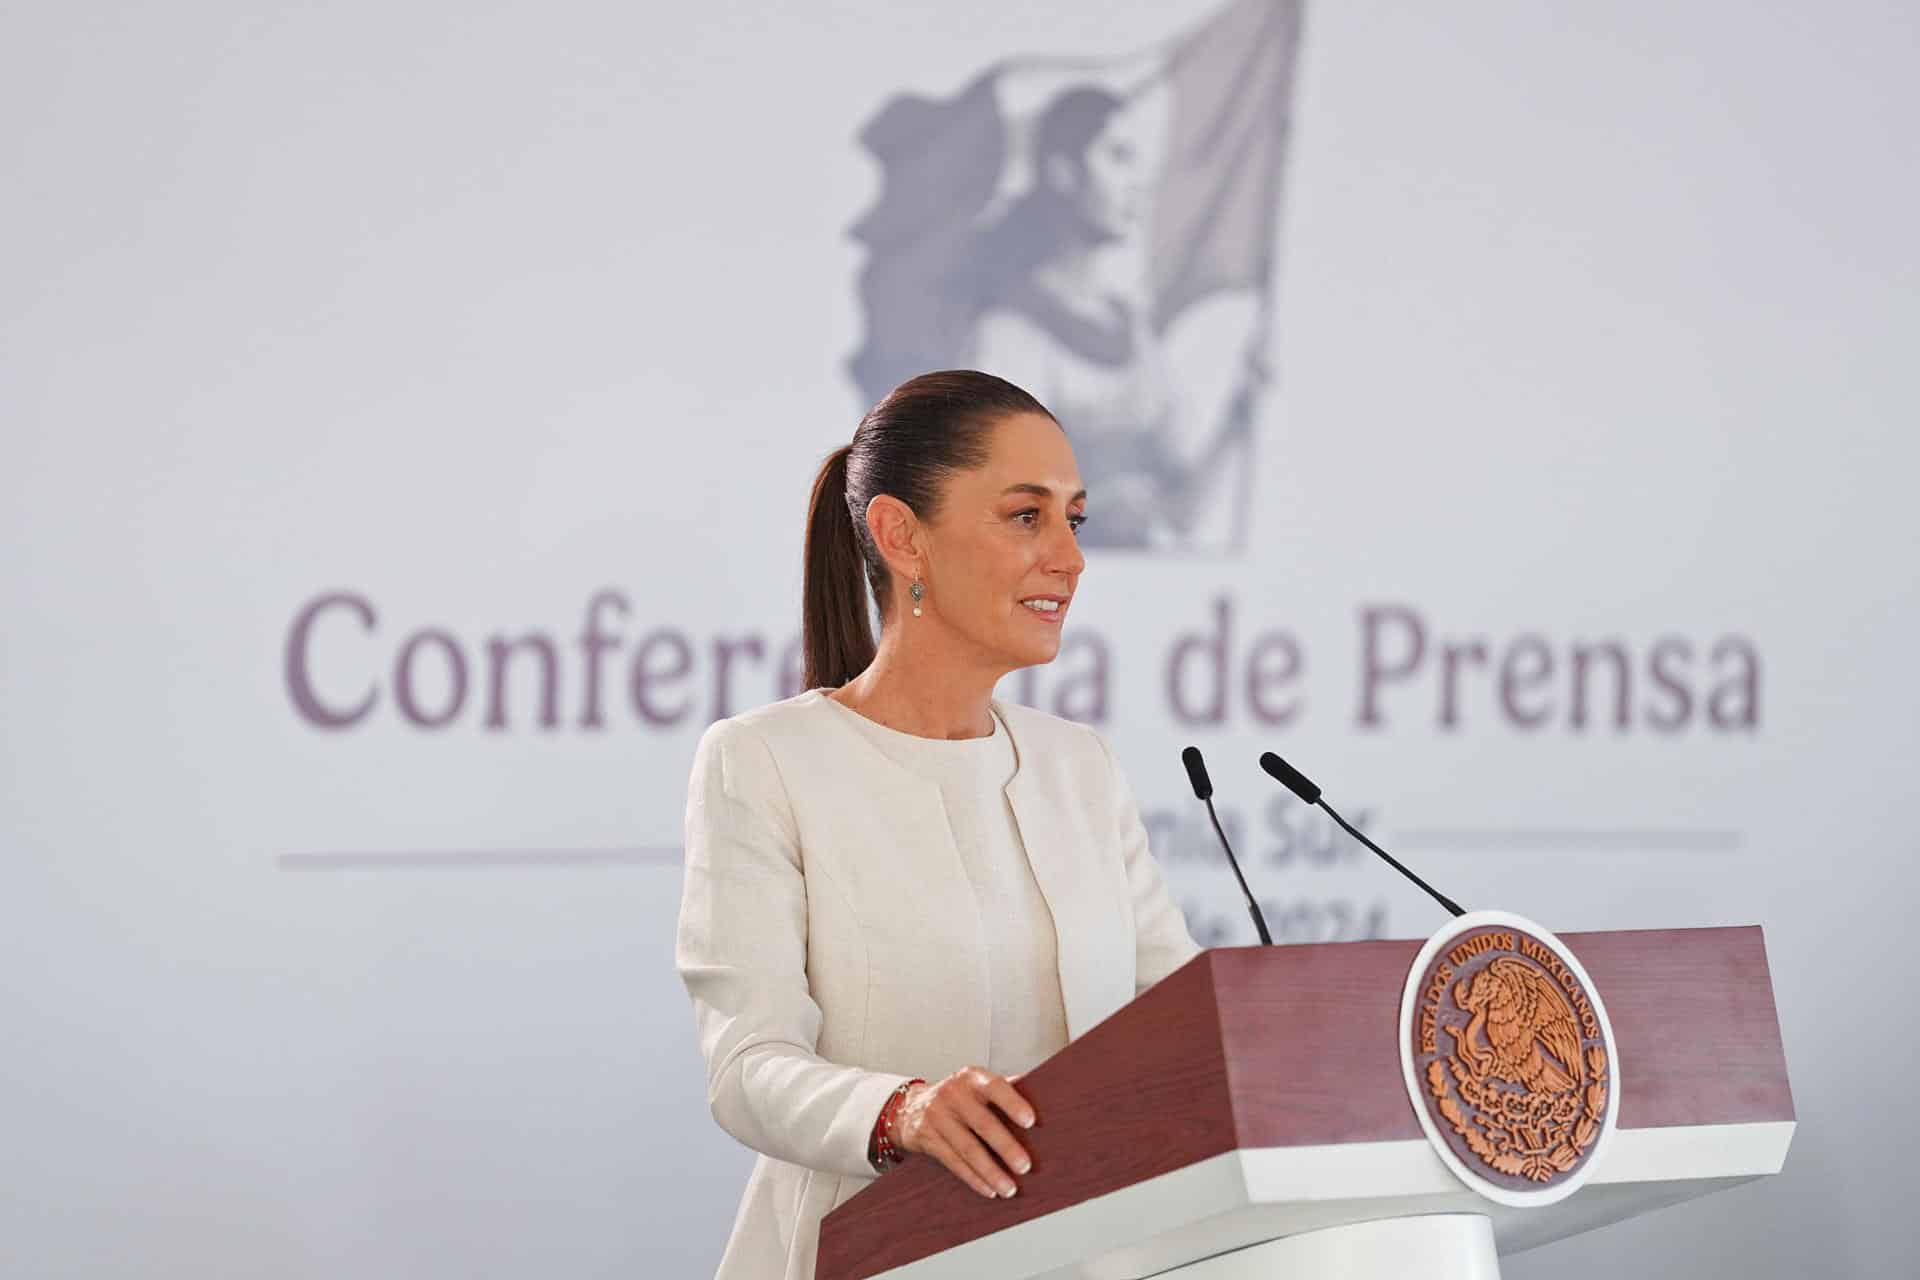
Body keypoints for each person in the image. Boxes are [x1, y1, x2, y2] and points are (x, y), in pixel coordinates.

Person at [675, 369, 1201, 1280]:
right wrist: (902, 1113)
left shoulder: (1081, 768)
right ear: (900, 536)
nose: (1070, 560)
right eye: (1024, 516)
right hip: (861, 1253)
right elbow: (747, 1066)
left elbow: (1185, 1033)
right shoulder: (763, 762)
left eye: (1074, 519)